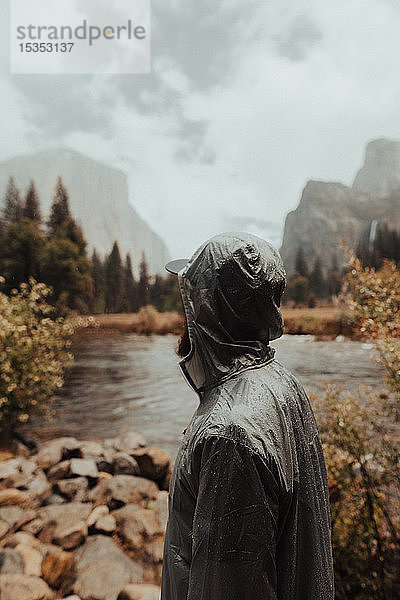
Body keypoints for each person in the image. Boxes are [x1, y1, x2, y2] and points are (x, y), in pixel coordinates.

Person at [161, 232, 334, 600]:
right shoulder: (281, 383)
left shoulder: (228, 436)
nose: (183, 314)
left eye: (189, 298)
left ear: (208, 309)